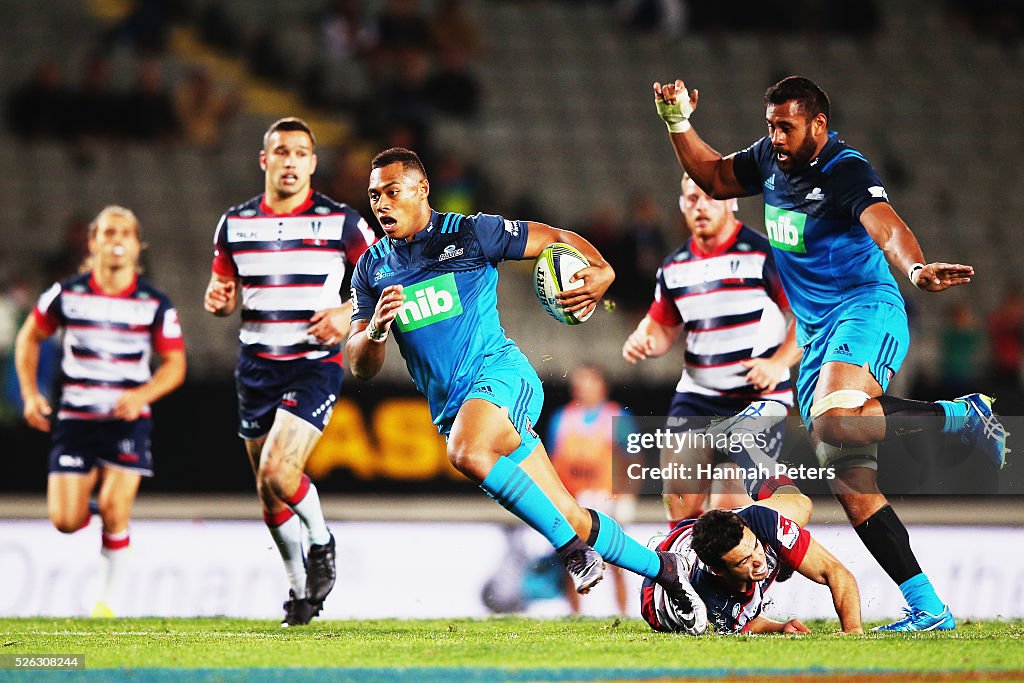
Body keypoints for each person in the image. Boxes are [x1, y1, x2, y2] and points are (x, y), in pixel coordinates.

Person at [652, 74, 1008, 631]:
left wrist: (914, 267)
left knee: (835, 424)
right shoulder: (769, 160)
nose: (776, 137)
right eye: (770, 126)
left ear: (817, 124)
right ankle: (929, 608)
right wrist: (678, 122)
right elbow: (716, 177)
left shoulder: (846, 170)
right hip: (820, 335)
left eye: (786, 127)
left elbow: (885, 226)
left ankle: (964, 416)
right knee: (852, 486)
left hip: (867, 310)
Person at [347, 146, 705, 626]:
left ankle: (571, 551)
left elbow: (556, 237)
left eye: (392, 192)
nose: (382, 204)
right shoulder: (372, 269)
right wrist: (374, 333)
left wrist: (603, 269)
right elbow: (361, 366)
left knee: (467, 453)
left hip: (503, 378)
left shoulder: (470, 233)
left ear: (421, 189)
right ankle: (665, 569)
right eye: (374, 196)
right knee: (571, 514)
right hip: (459, 410)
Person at [203, 117, 375, 626]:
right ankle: (301, 595)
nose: (291, 161)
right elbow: (222, 293)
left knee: (280, 472)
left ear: (313, 163)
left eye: (301, 153)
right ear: (265, 160)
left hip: (312, 365)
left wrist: (347, 314)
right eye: (281, 152)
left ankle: (321, 542)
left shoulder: (343, 222)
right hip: (255, 366)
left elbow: (386, 279)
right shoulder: (234, 224)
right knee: (266, 486)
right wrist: (217, 302)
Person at [14, 205, 186, 617]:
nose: (116, 241)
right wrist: (30, 394)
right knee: (66, 520)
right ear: (93, 243)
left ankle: (107, 602)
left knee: (115, 506)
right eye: (108, 233)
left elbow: (176, 365)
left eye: (125, 233)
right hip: (75, 420)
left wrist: (143, 394)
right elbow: (28, 339)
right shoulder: (67, 293)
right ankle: (92, 508)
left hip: (127, 421)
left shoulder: (154, 302)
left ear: (137, 244)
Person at [622, 174, 801, 527]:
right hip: (697, 396)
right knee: (678, 500)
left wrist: (777, 361)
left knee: (734, 514)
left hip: (756, 399)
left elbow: (806, 317)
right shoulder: (673, 266)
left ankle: (765, 557)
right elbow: (661, 329)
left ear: (732, 201)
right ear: (682, 206)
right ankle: (684, 575)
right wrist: (643, 338)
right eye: (691, 199)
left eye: (709, 198)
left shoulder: (766, 254)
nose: (700, 206)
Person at [641, 491, 863, 635]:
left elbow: (834, 571)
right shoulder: (712, 604)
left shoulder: (759, 521)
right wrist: (779, 627)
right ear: (719, 571)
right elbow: (746, 624)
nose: (759, 561)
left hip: (695, 533)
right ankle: (785, 556)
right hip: (657, 596)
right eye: (745, 561)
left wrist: (852, 629)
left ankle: (752, 451)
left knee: (801, 504)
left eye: (756, 546)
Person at [547, 365, 636, 615]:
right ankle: (575, 614)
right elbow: (553, 461)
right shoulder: (561, 418)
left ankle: (622, 613)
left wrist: (627, 495)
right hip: (573, 500)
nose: (583, 388)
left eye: (589, 382)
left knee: (617, 558)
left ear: (602, 386)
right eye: (579, 383)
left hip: (606, 498)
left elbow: (632, 458)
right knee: (571, 557)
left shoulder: (616, 416)